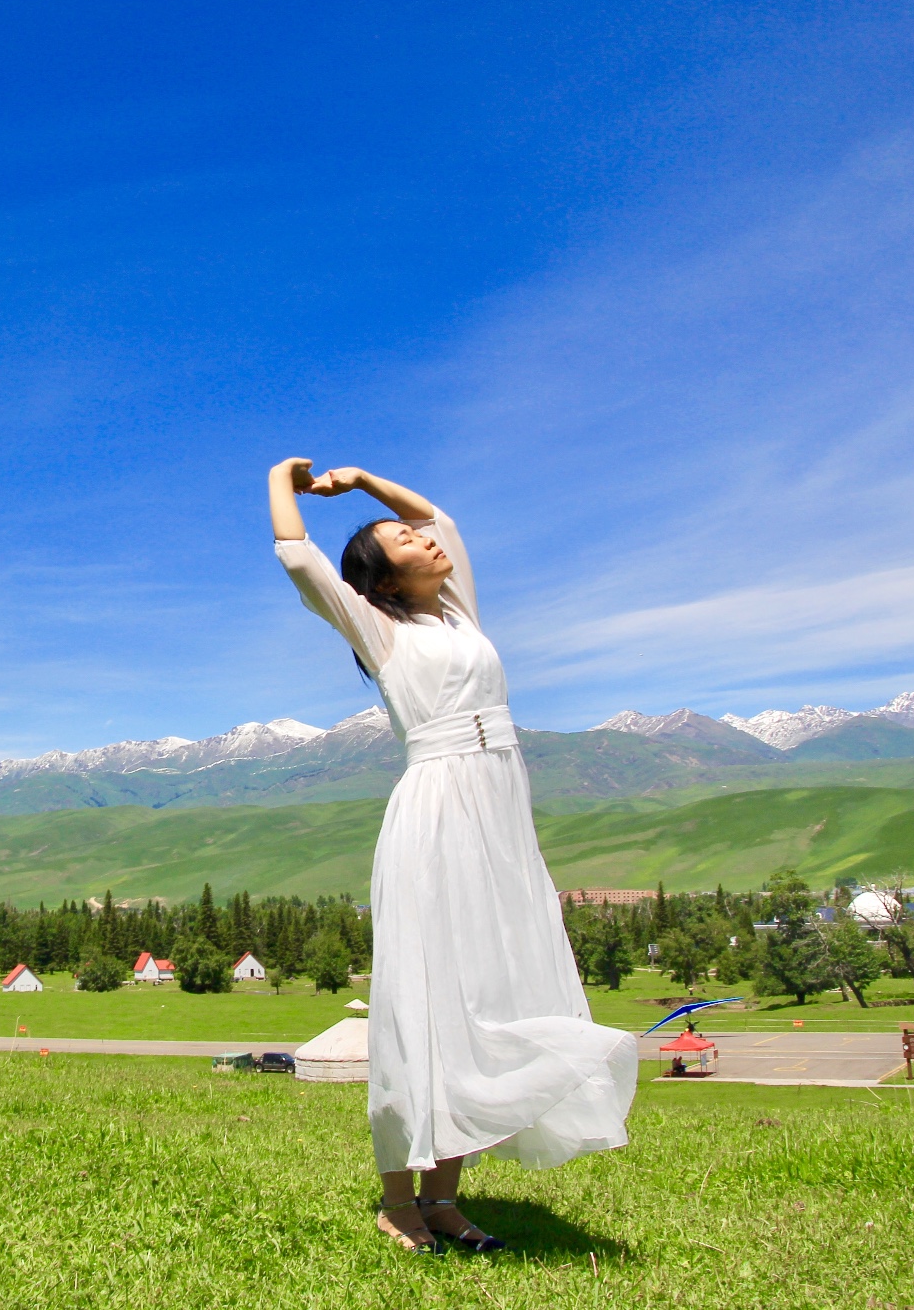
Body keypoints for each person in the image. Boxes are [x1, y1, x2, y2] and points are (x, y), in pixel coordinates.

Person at [267, 458, 637, 1255]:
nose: (424, 541)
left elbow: (444, 518)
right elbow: (298, 556)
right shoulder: (381, 627)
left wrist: (366, 482)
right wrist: (283, 477)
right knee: (427, 1001)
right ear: (384, 580)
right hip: (436, 813)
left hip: (500, 813)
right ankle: (398, 1197)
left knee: (487, 997)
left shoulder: (460, 615)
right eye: (404, 542)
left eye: (416, 536)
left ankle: (444, 1199)